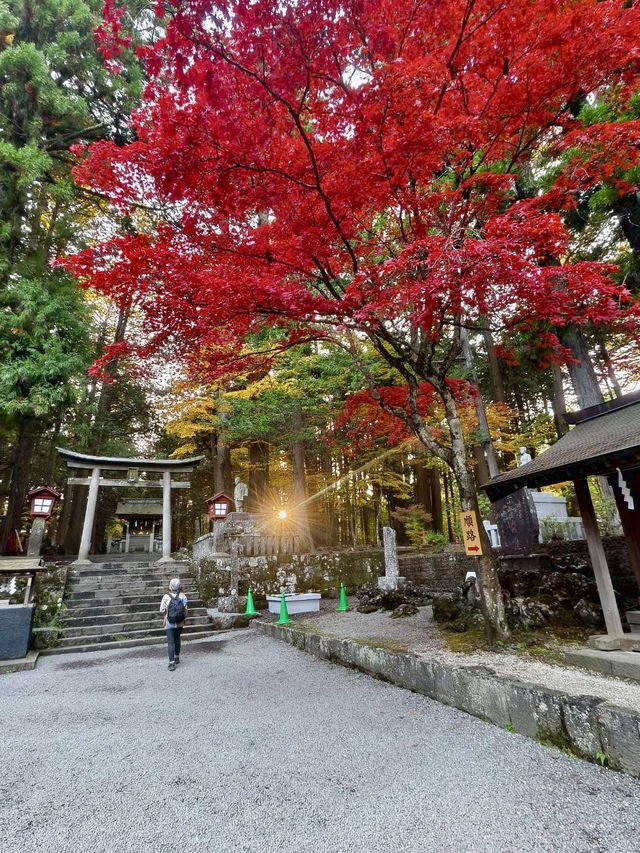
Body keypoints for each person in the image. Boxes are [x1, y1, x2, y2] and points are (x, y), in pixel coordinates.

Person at [160, 577, 188, 671]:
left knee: (171, 642)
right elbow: (186, 610)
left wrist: (165, 616)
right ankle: (177, 657)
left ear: (170, 586)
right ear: (179, 586)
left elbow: (162, 610)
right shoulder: (183, 596)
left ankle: (171, 663)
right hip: (180, 622)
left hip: (169, 623)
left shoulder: (166, 596)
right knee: (177, 639)